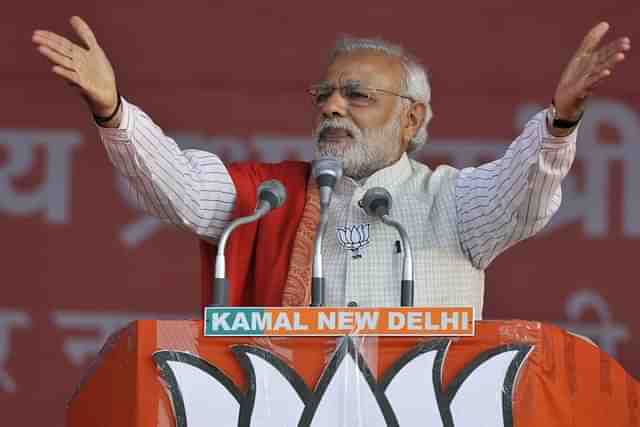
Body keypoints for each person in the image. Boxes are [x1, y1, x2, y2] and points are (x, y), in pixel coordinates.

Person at [32, 17, 630, 318]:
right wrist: (112, 112)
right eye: (325, 96)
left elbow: (522, 194)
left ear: (412, 117)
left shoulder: (452, 202)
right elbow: (181, 188)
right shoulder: (270, 197)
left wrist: (559, 123)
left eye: (356, 96)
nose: (332, 107)